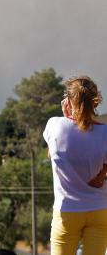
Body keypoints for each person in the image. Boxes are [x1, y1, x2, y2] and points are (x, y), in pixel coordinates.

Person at [44, 75, 107, 255]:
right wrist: (102, 174)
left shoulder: (54, 125)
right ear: (95, 102)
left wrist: (66, 116)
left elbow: (54, 151)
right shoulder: (105, 133)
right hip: (100, 208)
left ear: (68, 102)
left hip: (67, 211)